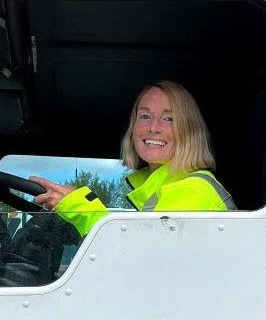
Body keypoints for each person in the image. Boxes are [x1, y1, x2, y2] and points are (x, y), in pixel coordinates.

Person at [30, 80, 235, 237]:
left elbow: (139, 261)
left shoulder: (192, 190)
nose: (153, 127)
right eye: (145, 116)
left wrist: (78, 207)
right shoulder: (164, 188)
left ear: (190, 131)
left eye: (169, 119)